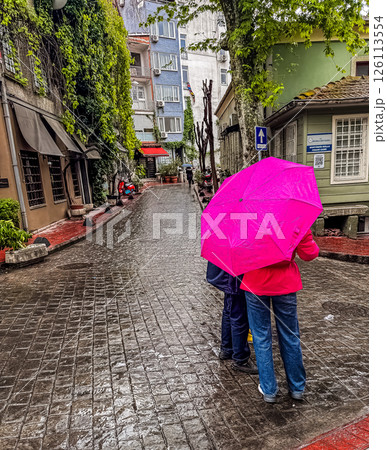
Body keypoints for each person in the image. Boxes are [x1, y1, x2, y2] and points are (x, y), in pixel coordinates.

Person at [240, 229, 319, 403]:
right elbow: (309, 254)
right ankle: (297, 387)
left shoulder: (248, 219)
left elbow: (238, 251)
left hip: (255, 280)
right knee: (290, 335)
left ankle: (269, 390)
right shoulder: (295, 217)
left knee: (261, 336)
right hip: (285, 282)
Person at [207, 262, 258, 374]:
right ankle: (240, 358)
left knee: (229, 311)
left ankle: (227, 348)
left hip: (228, 276)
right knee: (239, 316)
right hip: (235, 277)